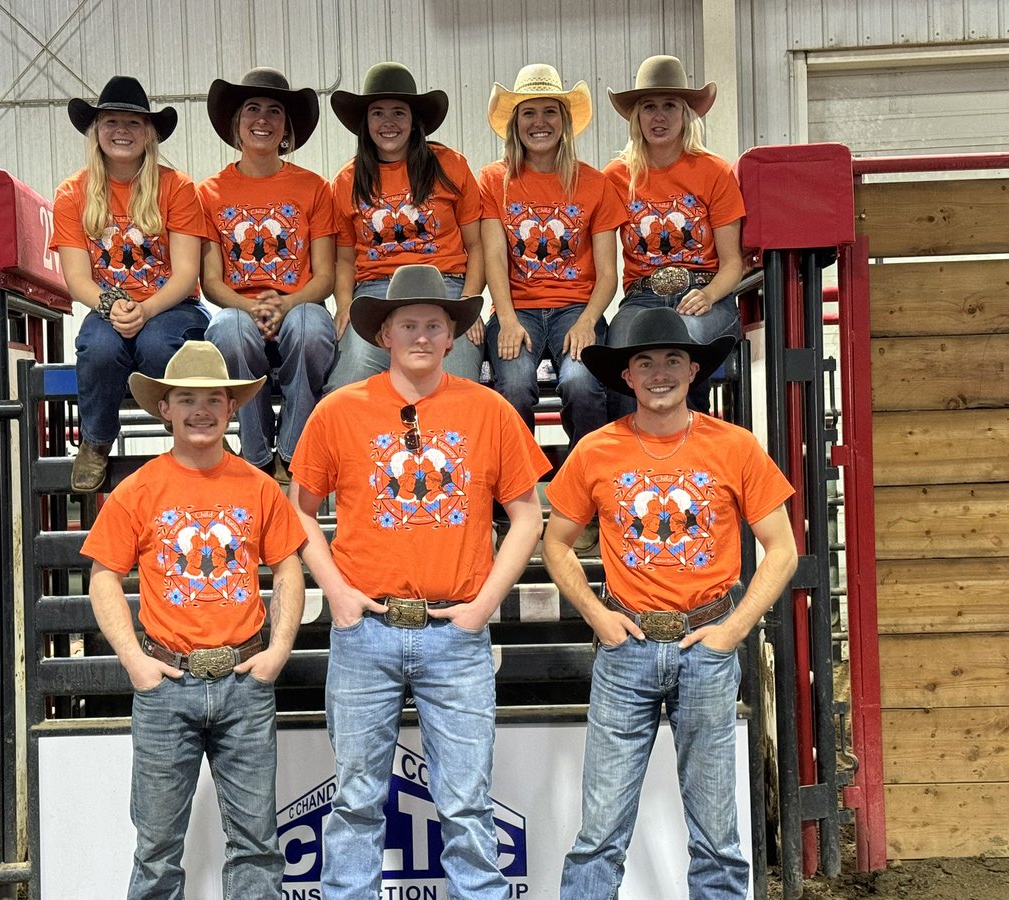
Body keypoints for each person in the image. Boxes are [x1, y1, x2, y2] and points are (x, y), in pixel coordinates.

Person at [289, 265, 550, 898]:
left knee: (465, 805)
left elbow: (527, 516)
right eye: (409, 324)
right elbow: (297, 508)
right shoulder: (338, 411)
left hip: (455, 630)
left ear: (452, 335)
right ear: (383, 334)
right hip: (366, 630)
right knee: (354, 802)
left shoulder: (487, 410)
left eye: (435, 325)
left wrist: (485, 603)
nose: (423, 336)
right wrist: (338, 595)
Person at [542, 307, 798, 899]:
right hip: (625, 646)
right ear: (627, 376)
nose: (660, 373)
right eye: (646, 362)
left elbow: (782, 548)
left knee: (717, 834)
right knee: (600, 831)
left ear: (693, 371)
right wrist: (597, 616)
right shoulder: (595, 451)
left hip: (706, 645)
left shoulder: (734, 447)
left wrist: (733, 631)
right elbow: (555, 543)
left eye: (673, 360)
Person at [82, 340, 306, 898]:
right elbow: (102, 577)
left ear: (232, 409)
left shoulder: (258, 488)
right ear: (165, 409)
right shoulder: (136, 491)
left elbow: (289, 569)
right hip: (165, 685)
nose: (201, 410)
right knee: (156, 851)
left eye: (213, 399)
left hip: (242, 682)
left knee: (257, 845)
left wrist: (277, 651)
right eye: (187, 399)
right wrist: (134, 660)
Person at [480, 63, 626, 555]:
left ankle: (580, 501)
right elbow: (495, 258)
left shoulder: (594, 183)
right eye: (528, 113)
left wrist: (588, 320)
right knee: (513, 387)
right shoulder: (494, 181)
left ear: (564, 121)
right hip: (517, 307)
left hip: (574, 308)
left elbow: (609, 272)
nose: (539, 121)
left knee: (583, 384)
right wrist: (504, 317)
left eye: (549, 111)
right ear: (514, 123)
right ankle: (511, 506)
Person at [52, 75, 212, 493]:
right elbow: (76, 279)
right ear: (97, 132)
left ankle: (195, 438)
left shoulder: (177, 187)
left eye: (133, 123)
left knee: (159, 345)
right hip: (109, 304)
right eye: (111, 123)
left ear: (149, 134)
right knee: (99, 348)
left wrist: (147, 309)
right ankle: (96, 440)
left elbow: (185, 274)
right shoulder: (72, 193)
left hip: (170, 304)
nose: (122, 131)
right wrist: (111, 306)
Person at [200, 67, 337, 483]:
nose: (263, 119)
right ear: (236, 124)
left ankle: (295, 452)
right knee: (227, 330)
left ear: (286, 128)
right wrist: (252, 306)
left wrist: (285, 303)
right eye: (252, 109)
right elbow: (211, 281)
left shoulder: (314, 188)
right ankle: (257, 455)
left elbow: (325, 276)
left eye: (274, 111)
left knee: (312, 328)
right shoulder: (209, 192)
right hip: (240, 308)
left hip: (299, 306)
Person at [325, 61, 485, 391]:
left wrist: (469, 301)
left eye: (398, 112)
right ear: (365, 122)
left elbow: (477, 245)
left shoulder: (449, 165)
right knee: (348, 386)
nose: (388, 122)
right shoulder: (346, 180)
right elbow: (343, 259)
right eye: (378, 113)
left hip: (444, 288)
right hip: (375, 293)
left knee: (456, 386)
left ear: (414, 121)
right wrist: (344, 308)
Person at [603, 55, 746, 417]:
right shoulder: (616, 177)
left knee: (683, 344)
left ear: (686, 113)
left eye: (670, 106)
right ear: (637, 116)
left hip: (705, 293)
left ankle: (688, 451)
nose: (660, 116)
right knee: (620, 351)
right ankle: (626, 464)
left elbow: (733, 263)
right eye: (649, 107)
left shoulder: (714, 172)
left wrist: (710, 294)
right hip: (641, 298)